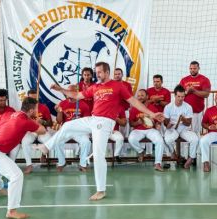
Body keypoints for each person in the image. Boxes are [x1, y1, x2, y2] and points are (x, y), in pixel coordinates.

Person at [35, 62, 164, 201]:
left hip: (104, 122)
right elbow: (77, 95)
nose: (97, 74)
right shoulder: (95, 87)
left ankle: (101, 190)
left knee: (98, 156)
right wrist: (60, 89)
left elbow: (133, 101)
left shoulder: (118, 86)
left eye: (99, 72)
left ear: (107, 72)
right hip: (93, 119)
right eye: (96, 72)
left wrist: (151, 114)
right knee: (67, 126)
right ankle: (46, 147)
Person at [54, 85, 91, 172]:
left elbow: (87, 122)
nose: (68, 95)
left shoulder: (84, 105)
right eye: (67, 92)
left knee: (86, 142)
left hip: (79, 131)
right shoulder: (62, 104)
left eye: (71, 92)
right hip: (66, 130)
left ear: (76, 93)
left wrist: (78, 121)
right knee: (57, 141)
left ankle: (83, 164)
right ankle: (62, 162)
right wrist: (59, 112)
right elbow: (59, 121)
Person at [128, 89, 164, 171]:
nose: (140, 97)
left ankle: (158, 163)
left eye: (142, 95)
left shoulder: (153, 108)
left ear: (147, 97)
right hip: (138, 130)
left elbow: (157, 122)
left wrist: (158, 125)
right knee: (131, 139)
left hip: (150, 130)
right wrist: (138, 122)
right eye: (139, 95)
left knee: (160, 140)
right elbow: (131, 124)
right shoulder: (134, 108)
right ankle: (140, 151)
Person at [163, 84, 199, 169]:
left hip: (184, 129)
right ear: (174, 95)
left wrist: (184, 120)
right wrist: (168, 125)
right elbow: (166, 123)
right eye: (178, 96)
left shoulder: (188, 107)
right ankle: (173, 152)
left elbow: (189, 123)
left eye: (182, 97)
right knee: (167, 139)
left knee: (195, 139)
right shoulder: (168, 107)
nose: (180, 99)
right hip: (172, 129)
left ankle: (191, 158)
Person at [21, 89, 52, 174]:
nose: (33, 101)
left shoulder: (44, 107)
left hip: (42, 130)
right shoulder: (24, 109)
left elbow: (50, 123)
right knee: (25, 142)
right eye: (31, 98)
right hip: (31, 131)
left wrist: (43, 122)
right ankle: (29, 165)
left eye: (35, 98)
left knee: (49, 140)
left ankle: (43, 154)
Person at [180, 61, 211, 135]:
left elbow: (206, 94)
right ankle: (185, 147)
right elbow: (179, 93)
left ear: (198, 68)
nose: (192, 70)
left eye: (194, 68)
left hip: (197, 111)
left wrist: (194, 91)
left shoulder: (204, 79)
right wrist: (186, 92)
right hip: (185, 111)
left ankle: (196, 147)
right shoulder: (184, 80)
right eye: (191, 68)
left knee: (195, 132)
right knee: (183, 132)